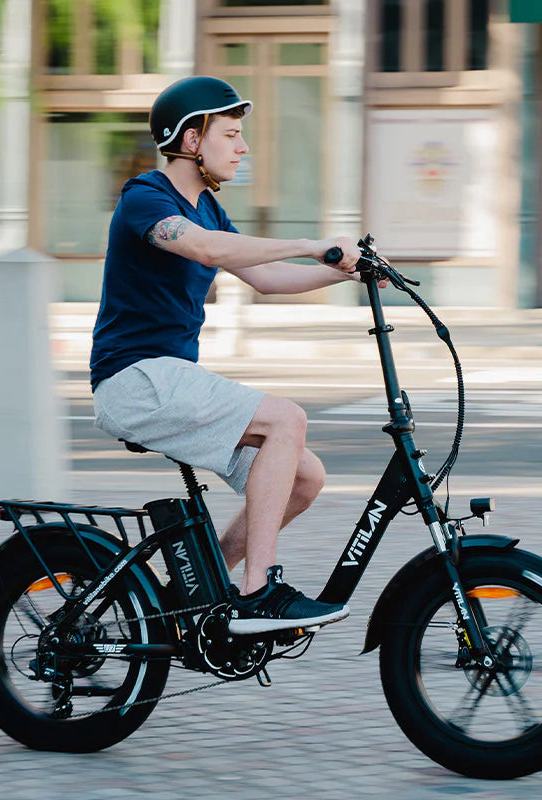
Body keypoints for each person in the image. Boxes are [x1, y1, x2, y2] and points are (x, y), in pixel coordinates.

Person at [90, 75, 363, 634]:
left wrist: (343, 273)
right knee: (286, 418)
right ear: (192, 140)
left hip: (169, 377)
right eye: (232, 135)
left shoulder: (208, 206)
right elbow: (207, 249)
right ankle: (258, 591)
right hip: (134, 377)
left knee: (304, 477)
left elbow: (263, 276)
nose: (243, 148)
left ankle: (198, 590)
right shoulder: (147, 198)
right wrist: (313, 241)